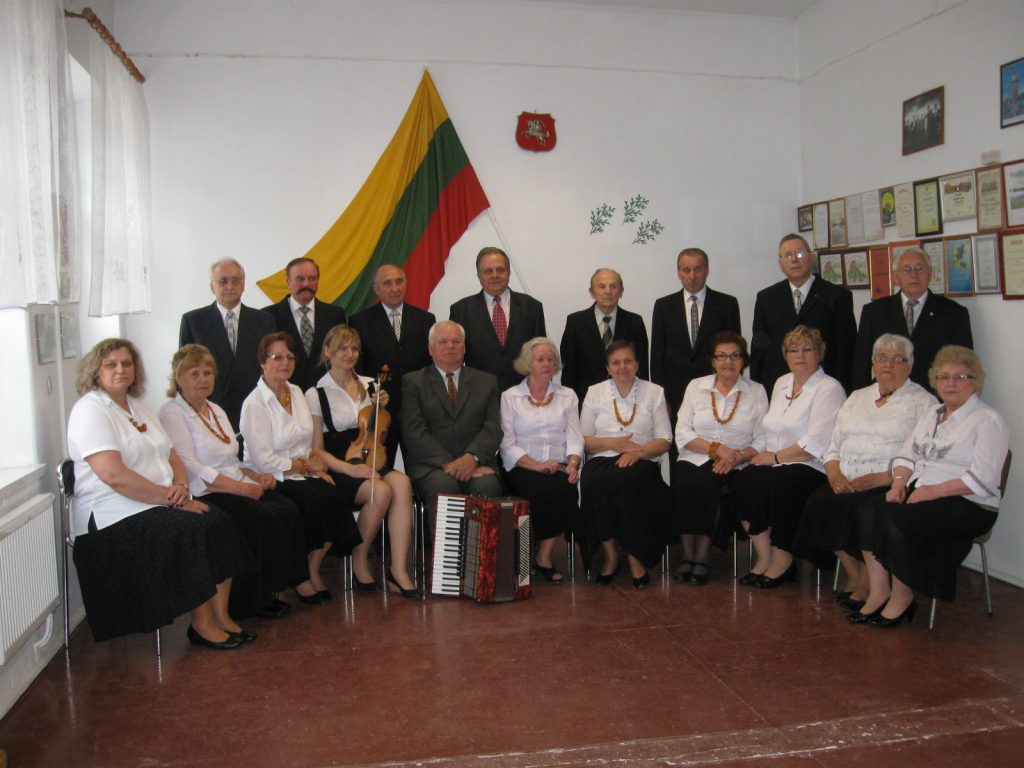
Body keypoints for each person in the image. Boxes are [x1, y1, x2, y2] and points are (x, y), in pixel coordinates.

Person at [67, 339, 253, 649]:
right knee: (192, 532)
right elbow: (114, 476)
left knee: (219, 523)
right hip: (113, 513)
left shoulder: (138, 408)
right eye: (111, 364)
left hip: (156, 501)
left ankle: (221, 615)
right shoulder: (90, 410)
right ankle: (202, 624)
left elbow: (173, 456)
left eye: (127, 363)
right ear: (95, 371)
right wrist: (173, 499)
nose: (120, 369)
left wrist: (181, 488)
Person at [852, 346, 1009, 627]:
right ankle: (879, 592)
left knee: (899, 522)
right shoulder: (933, 413)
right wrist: (898, 483)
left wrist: (931, 491)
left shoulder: (988, 420)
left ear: (976, 383)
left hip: (969, 503)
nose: (951, 383)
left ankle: (902, 598)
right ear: (935, 381)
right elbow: (906, 455)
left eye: (961, 377)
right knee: (869, 512)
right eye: (944, 377)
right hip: (923, 492)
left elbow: (983, 479)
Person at [159, 344, 310, 620]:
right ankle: (246, 602)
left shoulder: (215, 408)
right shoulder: (172, 413)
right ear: (178, 378)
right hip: (207, 490)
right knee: (260, 518)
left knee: (287, 509)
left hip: (235, 481)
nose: (203, 379)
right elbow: (190, 465)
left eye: (207, 373)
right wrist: (241, 488)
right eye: (194, 374)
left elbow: (231, 456)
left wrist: (253, 476)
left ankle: (270, 590)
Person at [792, 334, 936, 613]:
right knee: (819, 503)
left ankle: (871, 583)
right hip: (846, 479)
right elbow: (833, 445)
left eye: (897, 359)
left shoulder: (924, 403)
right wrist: (833, 473)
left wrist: (887, 477)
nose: (888, 365)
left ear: (910, 366)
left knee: (863, 511)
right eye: (881, 358)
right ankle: (858, 574)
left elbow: (924, 456)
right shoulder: (858, 397)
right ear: (872, 364)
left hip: (889, 483)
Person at [240, 331, 362, 605]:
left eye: (289, 357)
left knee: (335, 497)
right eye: (276, 357)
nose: (285, 362)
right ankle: (300, 578)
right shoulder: (254, 404)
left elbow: (306, 443)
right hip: (270, 476)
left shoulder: (296, 392)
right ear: (262, 362)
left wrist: (316, 470)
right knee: (311, 502)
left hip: (301, 473)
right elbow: (264, 461)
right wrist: (306, 466)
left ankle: (312, 568)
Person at [306, 325, 419, 598]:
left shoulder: (371, 385)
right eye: (342, 348)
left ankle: (398, 569)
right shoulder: (315, 393)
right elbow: (316, 449)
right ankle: (360, 559)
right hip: (339, 465)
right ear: (327, 351)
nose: (349, 354)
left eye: (354, 349)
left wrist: (381, 408)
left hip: (372, 458)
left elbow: (379, 431)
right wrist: (348, 468)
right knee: (380, 491)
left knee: (402, 483)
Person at [732, 325, 846, 588]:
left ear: (819, 353)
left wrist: (774, 458)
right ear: (785, 355)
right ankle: (765, 556)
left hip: (811, 465)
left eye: (807, 349)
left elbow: (816, 442)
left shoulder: (829, 388)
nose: (800, 355)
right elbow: (769, 427)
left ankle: (783, 558)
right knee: (743, 481)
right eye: (793, 350)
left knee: (780, 486)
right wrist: (758, 455)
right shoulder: (782, 382)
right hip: (776, 461)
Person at [671, 332, 768, 586]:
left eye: (735, 356)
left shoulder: (756, 391)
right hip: (695, 455)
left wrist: (735, 457)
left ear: (743, 360)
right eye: (722, 356)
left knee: (709, 483)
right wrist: (716, 450)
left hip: (738, 462)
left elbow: (762, 440)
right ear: (712, 360)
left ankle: (702, 556)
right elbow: (682, 433)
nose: (728, 361)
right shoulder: (696, 387)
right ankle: (688, 555)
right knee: (684, 482)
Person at [580, 340, 672, 589]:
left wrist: (638, 453)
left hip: (642, 458)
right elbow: (585, 441)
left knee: (629, 481)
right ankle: (610, 555)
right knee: (592, 481)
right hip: (602, 457)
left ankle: (635, 556)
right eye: (616, 362)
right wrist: (612, 443)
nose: (622, 367)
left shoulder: (654, 392)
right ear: (607, 368)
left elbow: (665, 439)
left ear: (637, 364)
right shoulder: (594, 392)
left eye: (628, 361)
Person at [500, 338, 584, 583]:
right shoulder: (510, 396)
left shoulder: (567, 395)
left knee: (565, 489)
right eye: (540, 359)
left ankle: (543, 556)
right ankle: (525, 554)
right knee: (537, 491)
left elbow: (575, 436)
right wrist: (538, 465)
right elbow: (507, 444)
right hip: (523, 465)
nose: (547, 364)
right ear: (528, 363)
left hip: (558, 464)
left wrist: (572, 464)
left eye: (551, 359)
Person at [402, 320, 503, 500]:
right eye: (443, 341)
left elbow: (493, 428)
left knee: (487, 487)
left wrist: (471, 458)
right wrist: (452, 464)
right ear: (430, 348)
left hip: (476, 463)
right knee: (444, 488)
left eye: (456, 341)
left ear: (464, 348)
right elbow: (414, 432)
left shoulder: (486, 382)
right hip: (431, 467)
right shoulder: (413, 382)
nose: (450, 346)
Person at [852, 247, 973, 392]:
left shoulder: (954, 313)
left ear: (930, 273)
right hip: (886, 397)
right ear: (896, 277)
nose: (914, 275)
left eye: (920, 268)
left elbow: (964, 364)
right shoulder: (874, 312)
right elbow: (861, 365)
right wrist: (862, 398)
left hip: (935, 397)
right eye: (906, 269)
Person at [348, 264, 436, 460]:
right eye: (387, 283)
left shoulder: (425, 320)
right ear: (376, 289)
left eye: (399, 281)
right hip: (380, 411)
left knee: (420, 466)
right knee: (378, 465)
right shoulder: (360, 322)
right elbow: (357, 370)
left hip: (417, 410)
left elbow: (431, 366)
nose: (395, 288)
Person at [751, 234, 856, 396]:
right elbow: (759, 349)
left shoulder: (837, 296)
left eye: (799, 253)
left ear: (811, 258)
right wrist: (757, 389)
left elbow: (846, 349)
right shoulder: (766, 298)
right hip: (779, 387)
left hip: (824, 387)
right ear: (781, 264)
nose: (794, 260)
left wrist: (845, 389)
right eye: (787, 256)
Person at [179, 258, 277, 432]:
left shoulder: (264, 320)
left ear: (243, 285)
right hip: (209, 411)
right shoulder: (193, 321)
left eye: (235, 280)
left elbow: (272, 367)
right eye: (223, 281)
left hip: (256, 409)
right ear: (212, 287)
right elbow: (184, 371)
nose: (230, 286)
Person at [651, 248, 741, 420]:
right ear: (678, 272)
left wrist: (733, 389)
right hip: (676, 393)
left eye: (697, 269)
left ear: (707, 270)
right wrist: (662, 399)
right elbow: (657, 357)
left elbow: (736, 353)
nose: (692, 276)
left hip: (717, 389)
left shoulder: (726, 304)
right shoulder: (664, 306)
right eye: (686, 270)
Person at [449, 246, 546, 392]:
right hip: (478, 396)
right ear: (479, 276)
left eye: (500, 270)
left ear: (508, 273)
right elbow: (454, 360)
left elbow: (542, 356)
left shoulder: (532, 307)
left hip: (524, 396)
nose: (495, 275)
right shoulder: (461, 311)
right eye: (488, 271)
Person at [560, 268, 649, 404]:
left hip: (628, 400)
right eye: (602, 286)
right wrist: (569, 403)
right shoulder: (575, 323)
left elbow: (642, 367)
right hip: (586, 401)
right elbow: (569, 370)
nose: (608, 291)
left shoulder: (635, 322)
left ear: (621, 291)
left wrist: (643, 401)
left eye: (613, 286)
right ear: (591, 292)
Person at [263, 257, 348, 391]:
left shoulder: (335, 315)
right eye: (300, 279)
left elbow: (343, 354)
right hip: (285, 393)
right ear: (288, 282)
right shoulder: (268, 316)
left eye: (312, 279)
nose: (306, 284)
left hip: (328, 393)